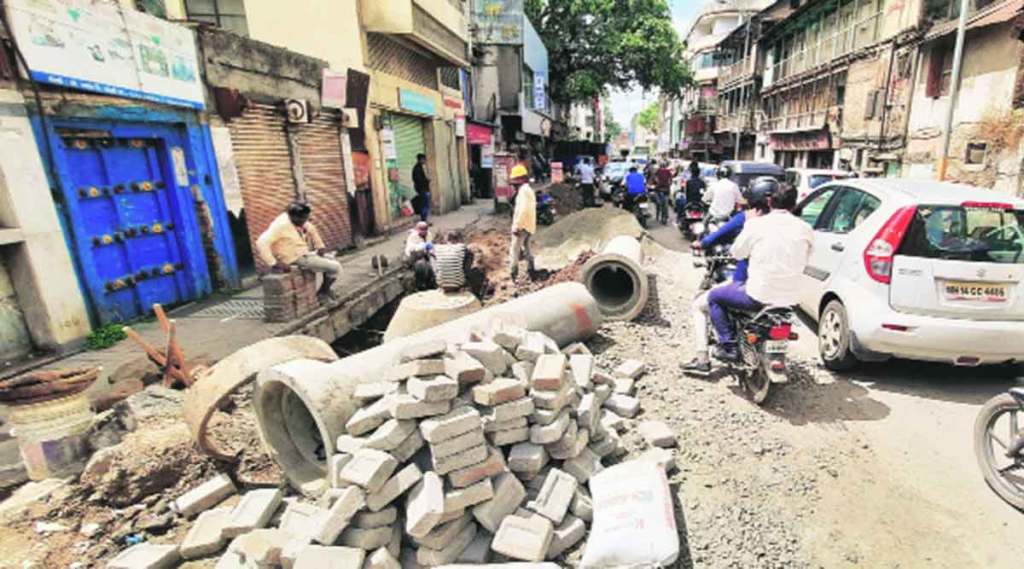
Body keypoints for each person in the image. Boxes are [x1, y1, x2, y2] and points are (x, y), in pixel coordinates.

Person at [706, 179, 814, 363]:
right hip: (792, 300)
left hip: (758, 296)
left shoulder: (756, 224)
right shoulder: (806, 229)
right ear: (794, 204)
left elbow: (737, 253)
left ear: (770, 202)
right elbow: (808, 256)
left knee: (714, 297)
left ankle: (729, 346)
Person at [682, 183, 767, 375]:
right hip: (783, 293)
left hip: (750, 285)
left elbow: (726, 241)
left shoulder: (748, 221)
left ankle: (708, 356)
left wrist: (702, 243)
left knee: (703, 303)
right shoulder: (790, 225)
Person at [256, 202, 341, 299]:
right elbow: (261, 242)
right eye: (303, 219)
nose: (305, 221)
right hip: (293, 257)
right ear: (295, 217)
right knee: (335, 267)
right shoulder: (280, 226)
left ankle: (326, 290)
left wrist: (320, 246)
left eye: (306, 218)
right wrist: (274, 263)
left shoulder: (294, 219)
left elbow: (311, 228)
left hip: (303, 253)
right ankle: (322, 293)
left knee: (331, 259)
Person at [508, 164, 536, 280]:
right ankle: (531, 269)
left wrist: (517, 226)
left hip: (522, 226)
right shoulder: (527, 189)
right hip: (529, 225)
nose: (513, 186)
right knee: (527, 248)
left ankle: (513, 274)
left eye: (514, 183)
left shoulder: (523, 191)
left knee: (514, 249)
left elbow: (523, 209)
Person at [404, 221, 435, 290]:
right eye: (422, 229)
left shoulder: (429, 234)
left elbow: (430, 245)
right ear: (418, 230)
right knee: (420, 266)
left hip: (425, 254)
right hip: (414, 256)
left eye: (425, 229)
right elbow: (411, 248)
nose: (424, 231)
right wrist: (423, 246)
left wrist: (431, 250)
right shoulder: (413, 236)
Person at [412, 153, 431, 222]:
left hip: (424, 188)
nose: (425, 161)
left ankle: (425, 219)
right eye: (424, 159)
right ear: (421, 160)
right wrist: (426, 180)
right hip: (422, 189)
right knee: (424, 205)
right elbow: (418, 180)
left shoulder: (421, 167)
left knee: (426, 205)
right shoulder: (417, 168)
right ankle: (424, 220)